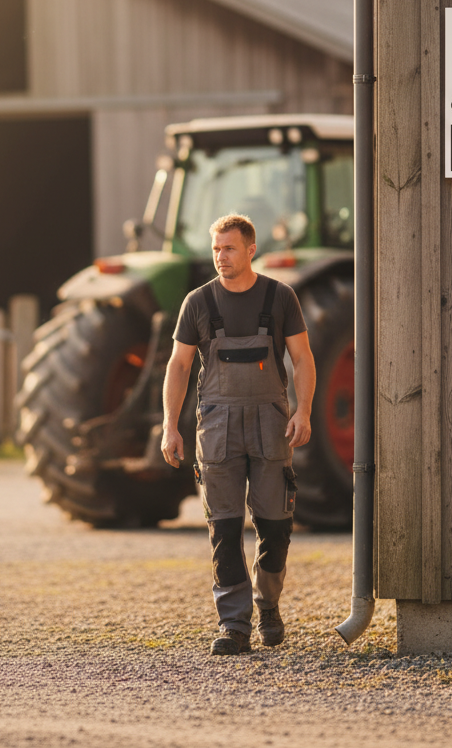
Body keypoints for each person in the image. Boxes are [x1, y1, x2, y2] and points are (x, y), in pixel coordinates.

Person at [161, 213, 316, 655]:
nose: (220, 257)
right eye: (215, 249)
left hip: (271, 426)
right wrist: (170, 425)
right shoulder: (198, 302)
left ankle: (268, 606)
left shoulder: (280, 297)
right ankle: (234, 626)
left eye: (229, 248)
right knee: (223, 529)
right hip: (217, 428)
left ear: (251, 250)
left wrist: (303, 411)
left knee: (275, 527)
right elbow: (179, 365)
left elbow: (303, 359)